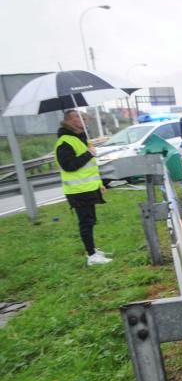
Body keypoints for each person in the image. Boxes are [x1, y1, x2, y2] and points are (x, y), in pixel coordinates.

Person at [54, 110, 111, 266]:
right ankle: (92, 256)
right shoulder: (65, 141)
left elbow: (89, 168)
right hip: (78, 191)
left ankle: (92, 249)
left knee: (90, 220)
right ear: (68, 121)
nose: (83, 119)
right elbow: (69, 166)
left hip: (88, 188)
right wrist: (88, 154)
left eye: (84, 117)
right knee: (85, 222)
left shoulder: (80, 138)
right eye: (78, 117)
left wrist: (99, 185)